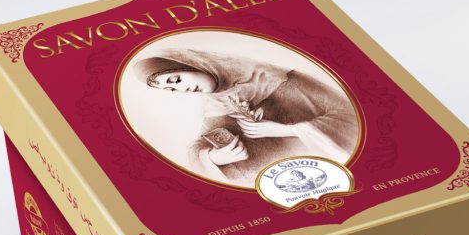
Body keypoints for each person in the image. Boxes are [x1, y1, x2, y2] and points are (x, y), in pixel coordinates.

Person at [132, 48, 359, 185]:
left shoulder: (278, 78)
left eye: (176, 80)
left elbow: (349, 115)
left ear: (194, 64)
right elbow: (201, 144)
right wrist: (212, 157)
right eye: (172, 90)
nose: (181, 90)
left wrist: (286, 130)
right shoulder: (217, 104)